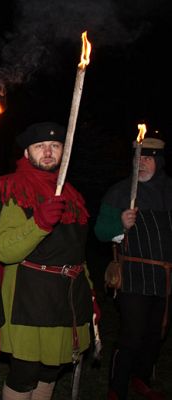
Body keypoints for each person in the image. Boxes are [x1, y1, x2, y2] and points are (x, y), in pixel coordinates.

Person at [0, 122, 94, 400]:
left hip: (69, 297)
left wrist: (90, 292)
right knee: (25, 374)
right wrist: (38, 224)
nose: (48, 151)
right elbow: (1, 249)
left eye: (55, 146)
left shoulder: (72, 195)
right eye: (40, 146)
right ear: (27, 153)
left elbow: (78, 251)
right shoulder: (14, 187)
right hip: (29, 297)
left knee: (52, 370)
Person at [94, 136, 171, 400]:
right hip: (133, 276)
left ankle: (142, 378)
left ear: (159, 162)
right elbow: (101, 232)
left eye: (148, 158)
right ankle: (116, 388)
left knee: (155, 333)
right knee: (132, 334)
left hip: (166, 278)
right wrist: (120, 225)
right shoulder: (120, 192)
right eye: (139, 158)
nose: (142, 164)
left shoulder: (170, 190)